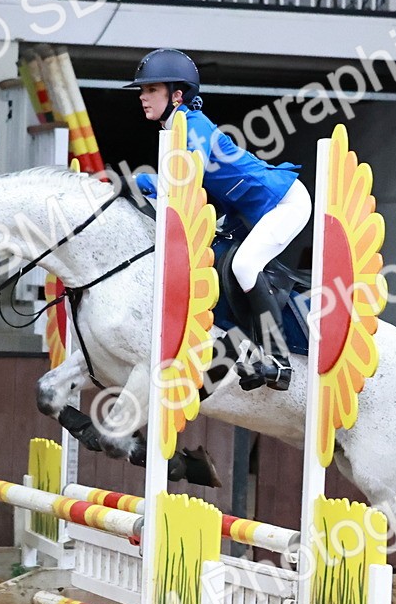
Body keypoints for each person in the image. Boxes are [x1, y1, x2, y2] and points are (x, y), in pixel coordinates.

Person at [127, 48, 311, 392]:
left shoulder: (194, 127)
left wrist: (131, 182)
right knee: (218, 265)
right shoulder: (174, 131)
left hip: (284, 201)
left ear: (177, 95)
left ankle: (279, 360)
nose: (143, 97)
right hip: (246, 212)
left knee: (244, 266)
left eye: (151, 89)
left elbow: (183, 180)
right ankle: (235, 350)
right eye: (143, 91)